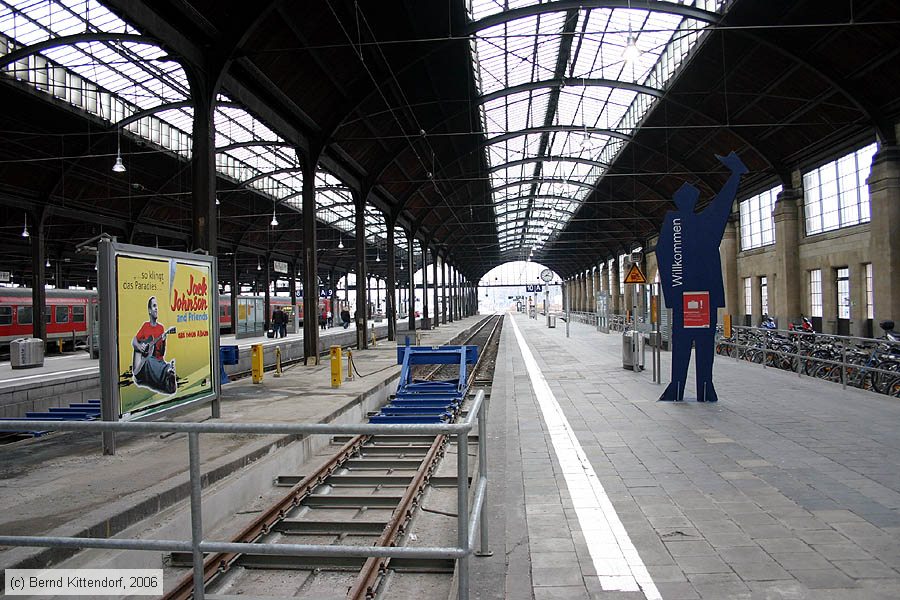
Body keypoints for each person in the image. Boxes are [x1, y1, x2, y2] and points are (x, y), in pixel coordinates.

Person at [656, 151, 747, 402]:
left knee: (682, 341)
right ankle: (705, 387)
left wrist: (673, 295)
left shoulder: (673, 225)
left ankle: (677, 386)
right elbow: (722, 203)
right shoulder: (703, 224)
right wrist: (735, 175)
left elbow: (663, 256)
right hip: (703, 295)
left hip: (684, 296)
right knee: (704, 342)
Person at [131, 296, 176, 394]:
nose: (156, 309)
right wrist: (140, 347)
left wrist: (163, 341)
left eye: (157, 306)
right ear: (149, 311)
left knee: (155, 361)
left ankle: (168, 377)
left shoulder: (161, 328)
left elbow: (162, 354)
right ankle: (167, 370)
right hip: (144, 366)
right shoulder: (145, 326)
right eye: (154, 306)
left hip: (157, 363)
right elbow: (134, 341)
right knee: (149, 360)